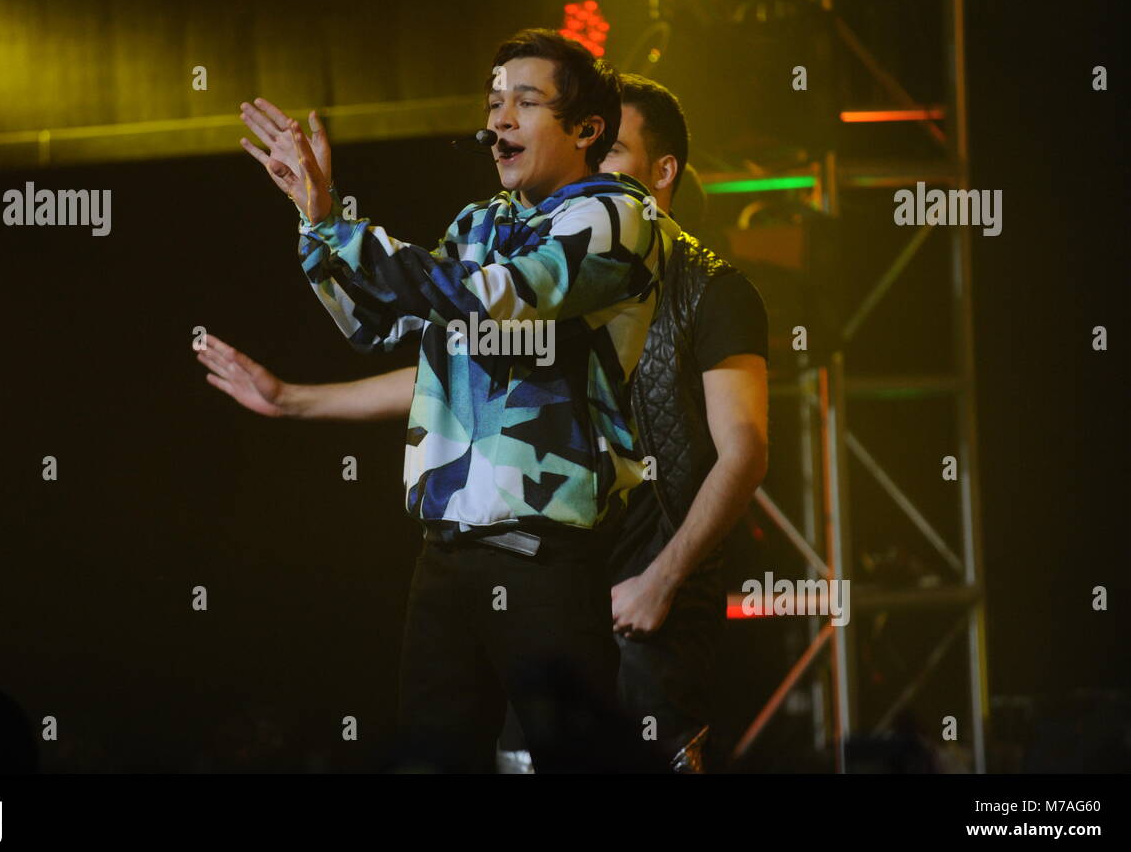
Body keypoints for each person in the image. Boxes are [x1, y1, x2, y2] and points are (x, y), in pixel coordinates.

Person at [203, 72, 769, 772]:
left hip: (650, 580)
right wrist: (293, 398)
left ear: (663, 171)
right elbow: (448, 370)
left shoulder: (707, 287)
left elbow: (742, 450)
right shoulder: (534, 253)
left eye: (611, 151)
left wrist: (665, 576)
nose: (592, 169)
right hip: (554, 566)